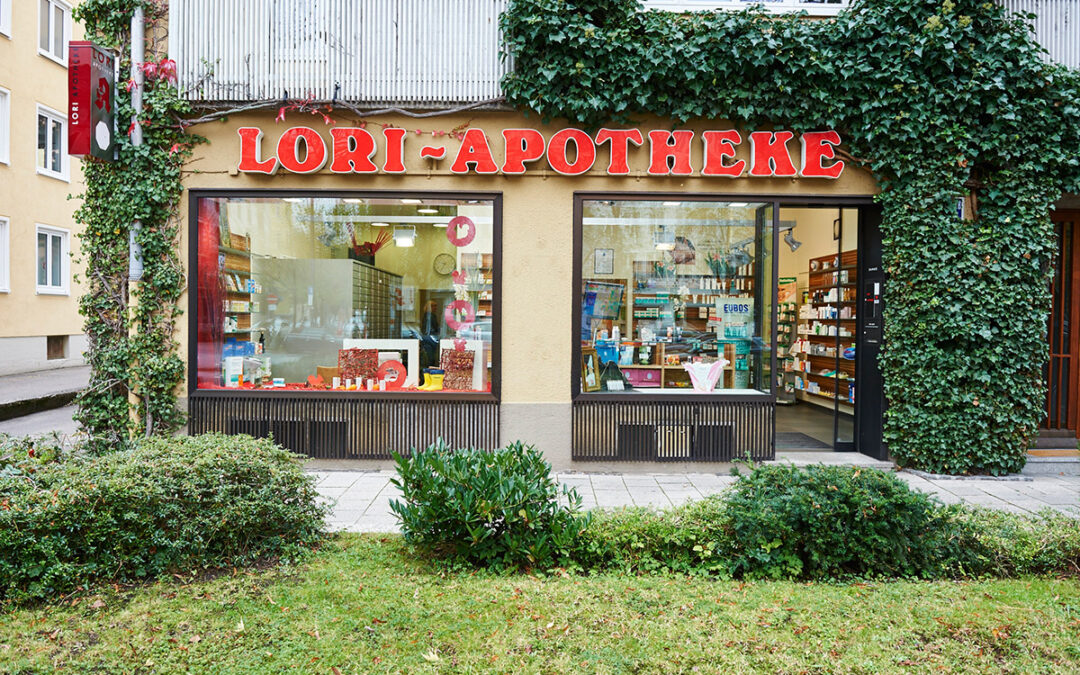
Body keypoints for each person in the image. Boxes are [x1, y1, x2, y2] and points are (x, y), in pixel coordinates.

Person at [420, 300, 440, 369]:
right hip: (430, 338)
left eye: (436, 306)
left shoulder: (427, 315)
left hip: (427, 338)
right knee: (430, 357)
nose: (435, 308)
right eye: (433, 306)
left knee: (429, 357)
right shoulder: (430, 316)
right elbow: (432, 328)